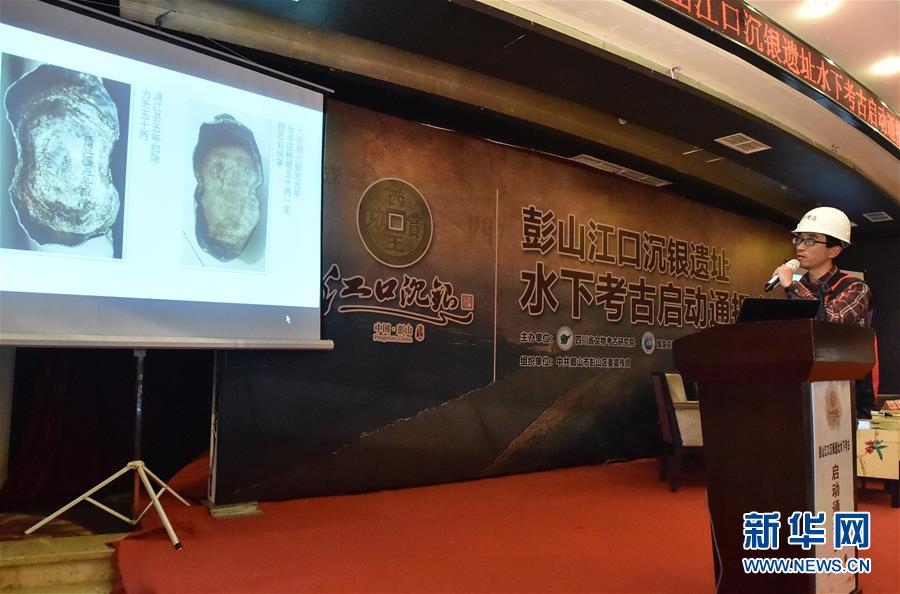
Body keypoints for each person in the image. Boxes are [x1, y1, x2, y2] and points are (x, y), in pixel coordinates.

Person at [774, 206, 877, 418]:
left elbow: (830, 322)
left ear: (834, 251)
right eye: (799, 239)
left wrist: (792, 287)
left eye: (810, 240)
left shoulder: (856, 287)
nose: (800, 246)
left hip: (844, 395)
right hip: (801, 392)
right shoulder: (799, 288)